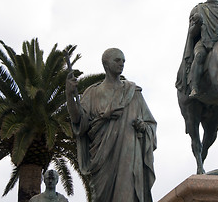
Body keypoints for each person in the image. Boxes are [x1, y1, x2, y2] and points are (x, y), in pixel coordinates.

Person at [66, 48, 157, 202]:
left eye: (123, 61)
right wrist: (69, 95)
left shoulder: (133, 92)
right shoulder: (92, 93)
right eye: (117, 60)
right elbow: (79, 122)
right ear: (106, 64)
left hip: (128, 154)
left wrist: (143, 126)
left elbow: (150, 123)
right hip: (102, 159)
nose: (121, 64)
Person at [176, 0, 218, 98]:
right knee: (199, 56)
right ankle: (194, 86)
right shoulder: (199, 9)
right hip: (205, 42)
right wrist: (198, 24)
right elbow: (192, 34)